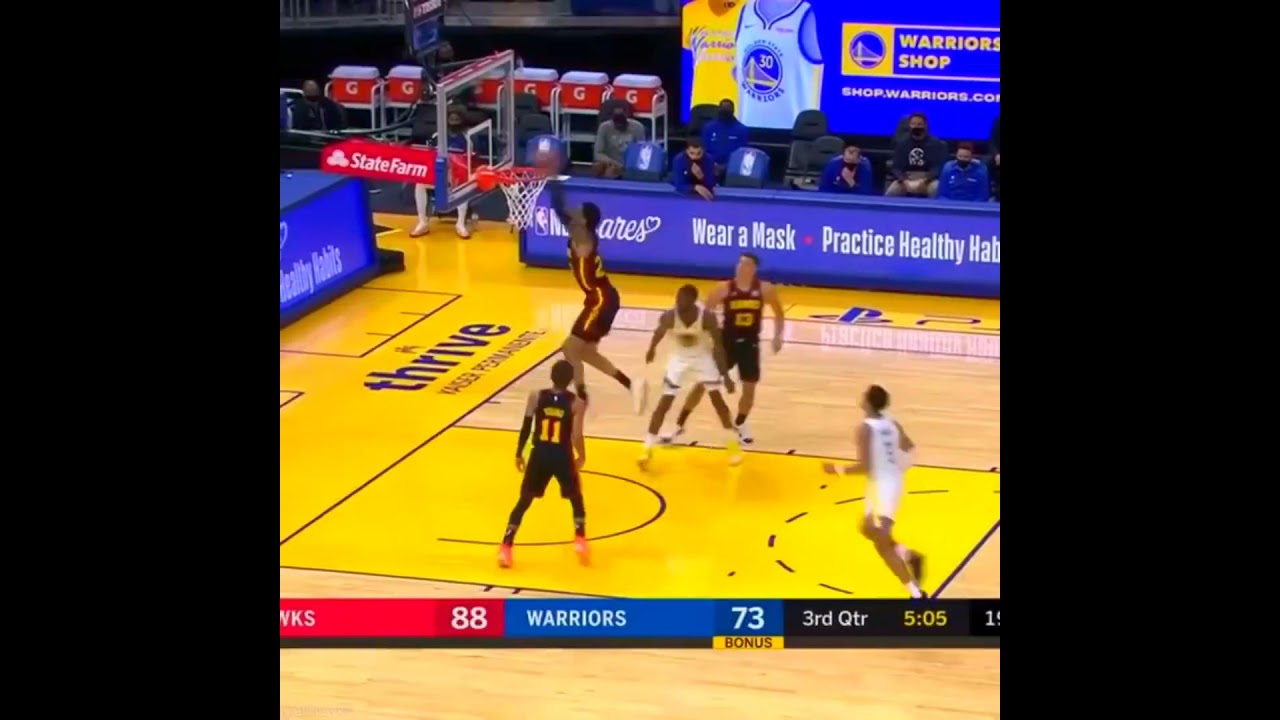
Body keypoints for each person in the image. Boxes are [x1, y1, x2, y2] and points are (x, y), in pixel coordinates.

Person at [545, 177, 648, 412]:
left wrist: (554, 184)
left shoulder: (585, 238)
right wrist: (554, 184)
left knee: (570, 348)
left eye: (579, 210)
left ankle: (580, 397)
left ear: (584, 221)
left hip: (601, 299)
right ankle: (630, 384)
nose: (574, 210)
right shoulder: (578, 232)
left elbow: (562, 213)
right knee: (587, 352)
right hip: (602, 298)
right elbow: (562, 213)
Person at [660, 253, 785, 444]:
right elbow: (705, 314)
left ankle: (741, 423)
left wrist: (777, 336)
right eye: (739, 263)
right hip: (727, 343)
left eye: (746, 264)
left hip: (750, 343)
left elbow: (779, 313)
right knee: (702, 384)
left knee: (749, 389)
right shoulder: (724, 288)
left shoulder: (765, 289)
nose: (741, 267)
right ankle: (679, 424)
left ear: (753, 268)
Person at [822, 385, 927, 599]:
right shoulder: (892, 423)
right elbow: (910, 448)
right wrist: (896, 467)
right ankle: (909, 555)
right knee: (866, 528)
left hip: (882, 487)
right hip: (889, 482)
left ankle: (916, 595)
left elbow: (865, 466)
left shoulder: (865, 429)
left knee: (882, 544)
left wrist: (837, 470)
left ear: (868, 402)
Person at [640, 285, 742, 467]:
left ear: (693, 301)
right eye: (677, 299)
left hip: (703, 359)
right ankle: (646, 449)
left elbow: (718, 347)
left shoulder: (707, 317)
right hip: (678, 360)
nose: (678, 303)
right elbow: (658, 332)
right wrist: (651, 349)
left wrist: (725, 376)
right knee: (664, 404)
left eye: (683, 300)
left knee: (718, 403)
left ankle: (733, 448)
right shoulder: (669, 316)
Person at [499, 360, 589, 568]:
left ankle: (506, 546)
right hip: (562, 456)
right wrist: (582, 455)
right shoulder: (577, 403)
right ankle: (580, 539)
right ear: (570, 380)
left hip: (539, 454)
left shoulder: (536, 396)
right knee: (576, 497)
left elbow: (526, 426)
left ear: (551, 376)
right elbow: (576, 435)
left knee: (525, 500)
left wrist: (519, 453)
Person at [732, 0, 823, 128]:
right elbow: (739, 69)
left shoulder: (809, 14)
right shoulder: (746, 11)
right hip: (747, 129)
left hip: (794, 132)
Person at [412, 107, 476, 238]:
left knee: (463, 184)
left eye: (457, 119)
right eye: (451, 119)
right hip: (440, 173)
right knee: (420, 183)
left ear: (462, 121)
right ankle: (423, 222)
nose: (454, 122)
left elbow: (470, 161)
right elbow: (429, 155)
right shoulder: (437, 136)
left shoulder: (467, 138)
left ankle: (460, 224)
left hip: (458, 175)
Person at [885, 113, 947, 198]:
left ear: (925, 126)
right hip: (906, 179)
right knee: (892, 191)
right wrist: (905, 181)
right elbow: (896, 167)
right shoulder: (902, 144)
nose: (916, 127)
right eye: (913, 124)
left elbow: (938, 167)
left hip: (928, 180)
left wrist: (925, 180)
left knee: (935, 188)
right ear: (909, 125)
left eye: (919, 124)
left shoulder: (936, 144)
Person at [701, 99, 748, 181]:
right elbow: (703, 149)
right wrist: (712, 165)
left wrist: (725, 167)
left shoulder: (742, 130)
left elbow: (741, 154)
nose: (724, 111)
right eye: (722, 108)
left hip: (733, 171)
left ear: (733, 110)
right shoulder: (708, 128)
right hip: (710, 168)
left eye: (727, 108)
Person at [593, 106, 646, 179]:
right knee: (599, 166)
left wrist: (628, 166)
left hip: (629, 166)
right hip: (611, 163)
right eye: (617, 124)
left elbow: (642, 153)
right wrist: (613, 163)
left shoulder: (638, 127)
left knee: (612, 172)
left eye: (622, 123)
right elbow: (598, 153)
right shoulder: (604, 127)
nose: (620, 126)